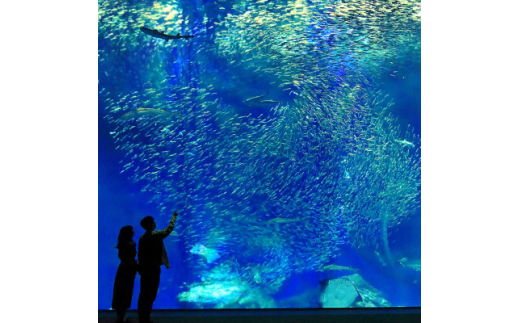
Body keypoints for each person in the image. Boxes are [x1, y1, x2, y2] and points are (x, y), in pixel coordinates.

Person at [137, 211, 178, 323]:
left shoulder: (142, 238)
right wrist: (173, 217)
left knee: (144, 293)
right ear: (151, 225)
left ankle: (142, 316)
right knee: (151, 293)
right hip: (154, 269)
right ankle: (146, 317)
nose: (155, 223)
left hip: (145, 270)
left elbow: (139, 254)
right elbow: (168, 230)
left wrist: (140, 269)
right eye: (153, 222)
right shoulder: (155, 235)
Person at [112, 225, 138, 323]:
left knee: (119, 292)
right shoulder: (131, 244)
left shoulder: (122, 244)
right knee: (126, 292)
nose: (133, 231)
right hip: (129, 270)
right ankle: (122, 317)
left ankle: (120, 316)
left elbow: (121, 257)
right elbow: (131, 258)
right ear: (129, 233)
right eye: (132, 230)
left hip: (122, 269)